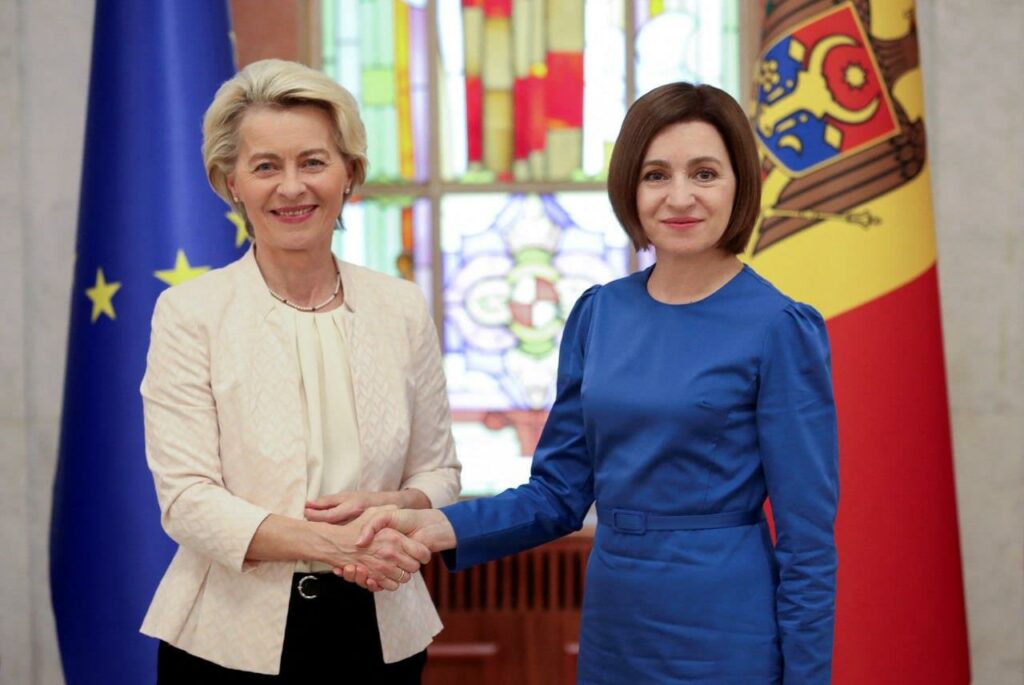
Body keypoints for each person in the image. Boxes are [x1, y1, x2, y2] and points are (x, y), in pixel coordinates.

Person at [357, 82, 840, 684]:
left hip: (724, 623)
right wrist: (442, 526)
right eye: (656, 175)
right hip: (616, 618)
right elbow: (558, 494)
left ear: (739, 185)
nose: (680, 196)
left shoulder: (779, 326)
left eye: (705, 173)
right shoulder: (599, 312)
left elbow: (807, 544)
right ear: (630, 189)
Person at [139, 58, 461, 682]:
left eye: (313, 162)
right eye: (266, 166)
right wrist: (337, 545)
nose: (292, 187)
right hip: (227, 640)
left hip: (382, 627)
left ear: (349, 174)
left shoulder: (400, 307)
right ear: (231, 182)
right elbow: (186, 499)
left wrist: (397, 508)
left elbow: (440, 472)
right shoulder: (190, 313)